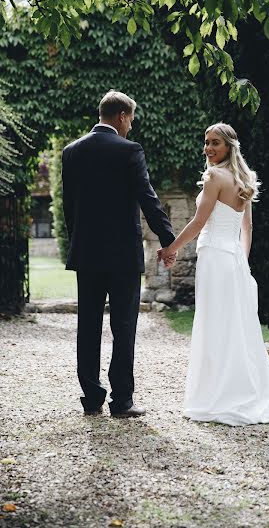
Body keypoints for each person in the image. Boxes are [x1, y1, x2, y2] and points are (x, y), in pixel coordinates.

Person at [158, 122, 269, 426]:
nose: (208, 148)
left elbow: (198, 223)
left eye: (215, 143)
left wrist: (171, 248)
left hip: (214, 259)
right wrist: (242, 261)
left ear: (229, 147)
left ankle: (217, 397)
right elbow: (246, 229)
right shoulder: (243, 178)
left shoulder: (214, 177)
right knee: (233, 325)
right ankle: (234, 391)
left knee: (214, 324)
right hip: (232, 260)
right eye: (206, 142)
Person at [62, 90, 176, 418]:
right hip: (123, 256)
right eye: (131, 121)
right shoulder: (129, 150)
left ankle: (91, 398)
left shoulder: (72, 152)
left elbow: (70, 208)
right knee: (124, 326)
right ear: (123, 117)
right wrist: (168, 240)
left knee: (88, 325)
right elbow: (148, 198)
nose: (131, 128)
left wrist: (78, 243)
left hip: (87, 254)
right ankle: (122, 401)